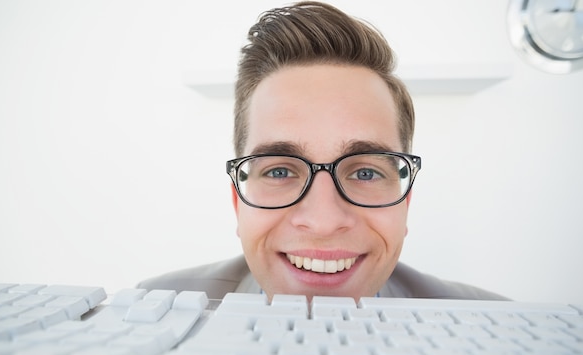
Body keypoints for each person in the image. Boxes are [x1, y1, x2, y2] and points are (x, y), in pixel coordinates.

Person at [138, 1, 507, 301]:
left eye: (365, 172)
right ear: (239, 202)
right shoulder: (154, 308)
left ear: (404, 202)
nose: (324, 222)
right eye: (280, 171)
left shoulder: (498, 331)